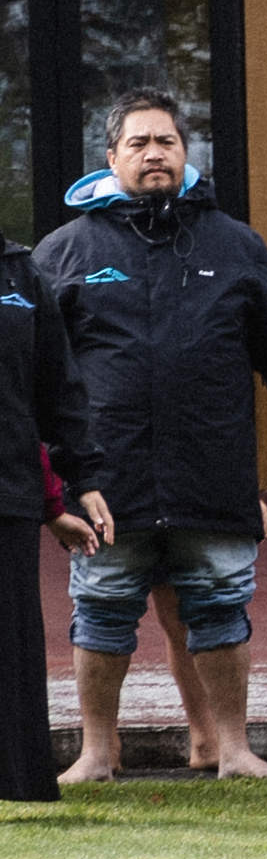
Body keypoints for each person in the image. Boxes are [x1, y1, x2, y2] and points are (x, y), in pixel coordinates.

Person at [42, 89, 267, 783]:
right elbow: (37, 375)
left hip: (211, 468)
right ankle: (96, 754)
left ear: (185, 154)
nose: (153, 154)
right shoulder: (66, 251)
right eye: (138, 144)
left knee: (221, 606)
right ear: (110, 159)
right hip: (106, 478)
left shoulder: (235, 244)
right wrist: (53, 478)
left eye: (165, 142)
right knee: (103, 610)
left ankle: (233, 750)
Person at [3, 222, 108, 800]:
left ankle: (16, 784)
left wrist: (71, 489)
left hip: (9, 494)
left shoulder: (21, 273)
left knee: (11, 646)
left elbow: (53, 389)